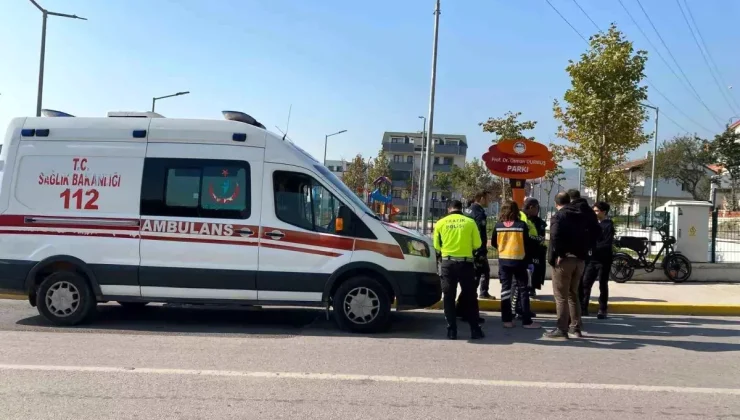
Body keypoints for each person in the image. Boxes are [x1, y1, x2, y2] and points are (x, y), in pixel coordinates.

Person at [433, 200, 485, 340]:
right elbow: (477, 244)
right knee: (470, 297)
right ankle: (475, 330)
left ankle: (452, 331)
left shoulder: (440, 223)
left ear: (449, 208)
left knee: (449, 297)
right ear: (460, 208)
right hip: (466, 264)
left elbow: (437, 246)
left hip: (448, 264)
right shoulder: (470, 222)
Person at [543, 192, 591, 340]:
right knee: (573, 294)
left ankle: (561, 329)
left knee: (561, 296)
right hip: (580, 260)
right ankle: (575, 327)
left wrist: (559, 254)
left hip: (564, 261)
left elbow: (555, 236)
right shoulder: (581, 215)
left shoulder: (559, 216)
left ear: (556, 203)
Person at [491, 200, 541, 329]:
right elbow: (527, 243)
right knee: (523, 290)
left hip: (504, 261)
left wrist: (503, 248)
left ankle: (507, 320)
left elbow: (493, 243)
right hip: (519, 261)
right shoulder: (521, 225)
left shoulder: (498, 226)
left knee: (505, 291)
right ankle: (526, 321)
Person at [581, 201, 615, 319]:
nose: (594, 213)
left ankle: (602, 309)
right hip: (591, 260)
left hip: (604, 260)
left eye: (596, 211)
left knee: (602, 284)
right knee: (586, 283)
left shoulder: (608, 225)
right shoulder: (592, 224)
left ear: (603, 212)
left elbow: (606, 243)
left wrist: (593, 248)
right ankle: (583, 307)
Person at [464, 190, 495, 299]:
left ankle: (473, 295)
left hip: (467, 247)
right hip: (477, 249)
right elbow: (480, 233)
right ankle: (478, 294)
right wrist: (481, 251)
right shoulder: (479, 213)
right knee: (482, 272)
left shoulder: (467, 210)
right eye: (487, 199)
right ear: (481, 198)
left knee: (476, 273)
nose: (489, 201)